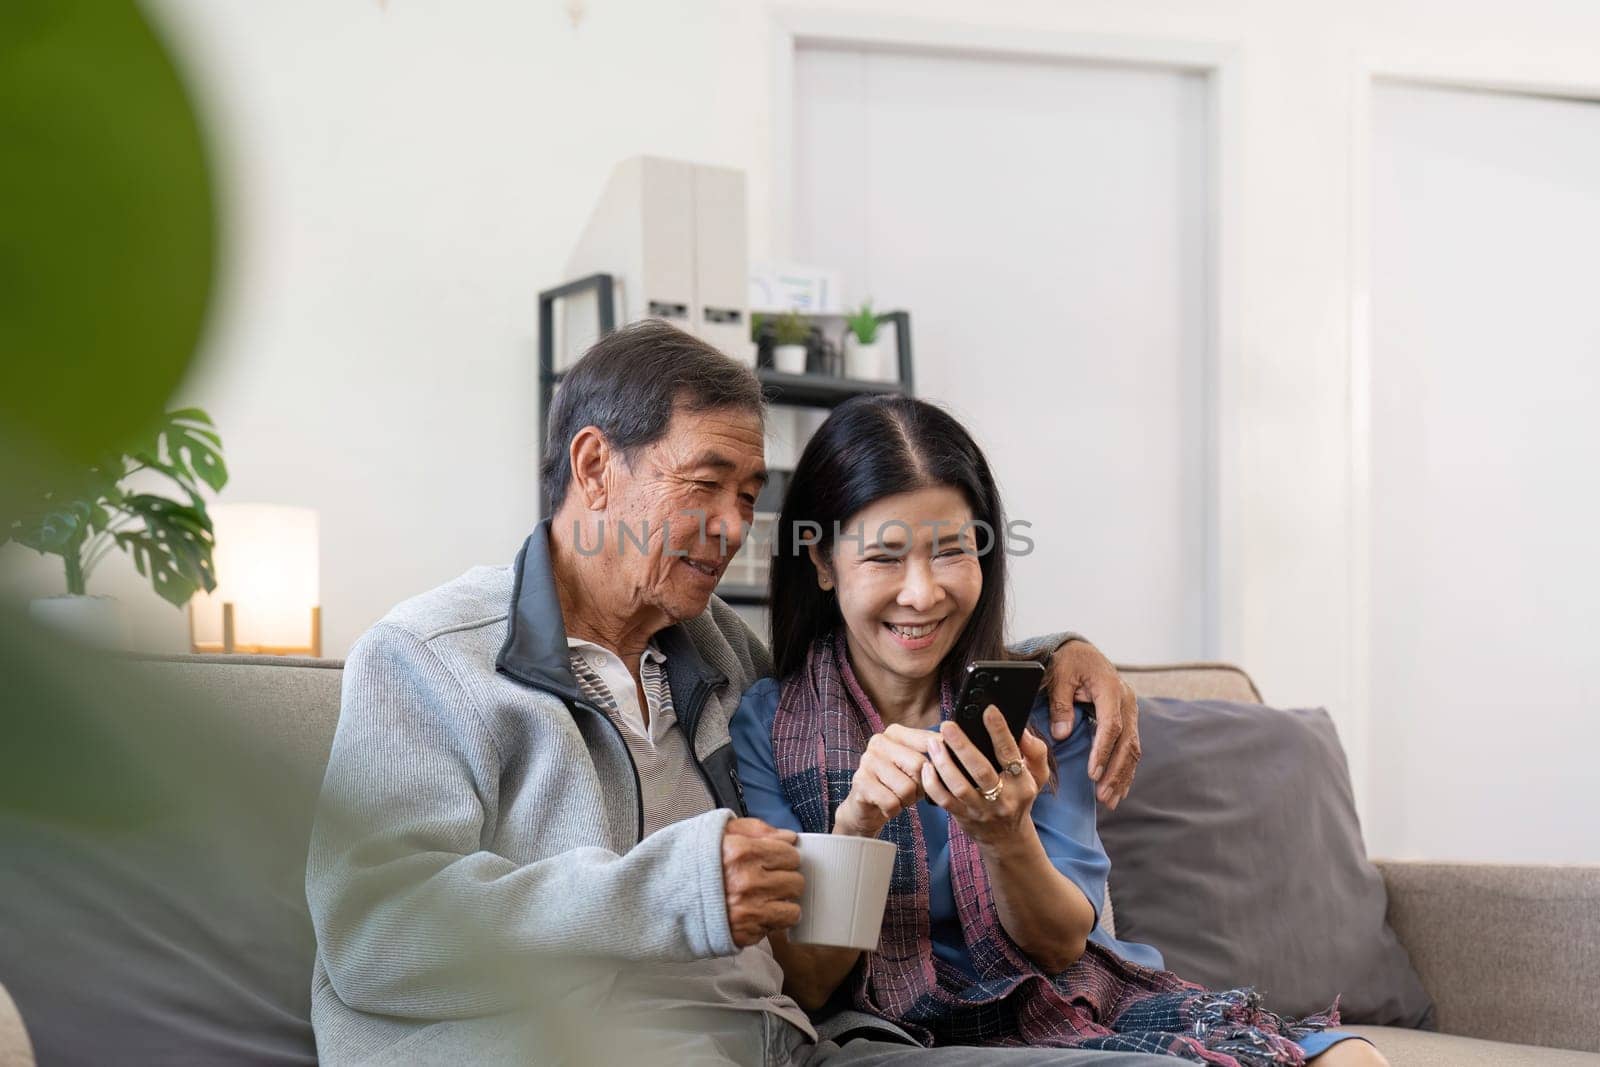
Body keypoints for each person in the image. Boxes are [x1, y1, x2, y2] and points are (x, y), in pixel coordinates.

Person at [305, 321, 1164, 1065]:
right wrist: (676, 891)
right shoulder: (425, 659)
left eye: (749, 496)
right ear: (595, 465)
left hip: (778, 1044)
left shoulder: (719, 650)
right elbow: (372, 933)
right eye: (704, 484)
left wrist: (1055, 655)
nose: (731, 527)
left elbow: (885, 650)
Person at [730, 395, 1389, 1067]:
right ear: (820, 560)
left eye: (951, 549)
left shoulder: (1041, 704)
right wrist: (856, 826)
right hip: (906, 1027)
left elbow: (1061, 946)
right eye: (884, 557)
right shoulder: (768, 724)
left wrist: (1006, 836)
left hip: (1076, 998)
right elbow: (808, 981)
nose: (923, 593)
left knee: (1353, 1058)